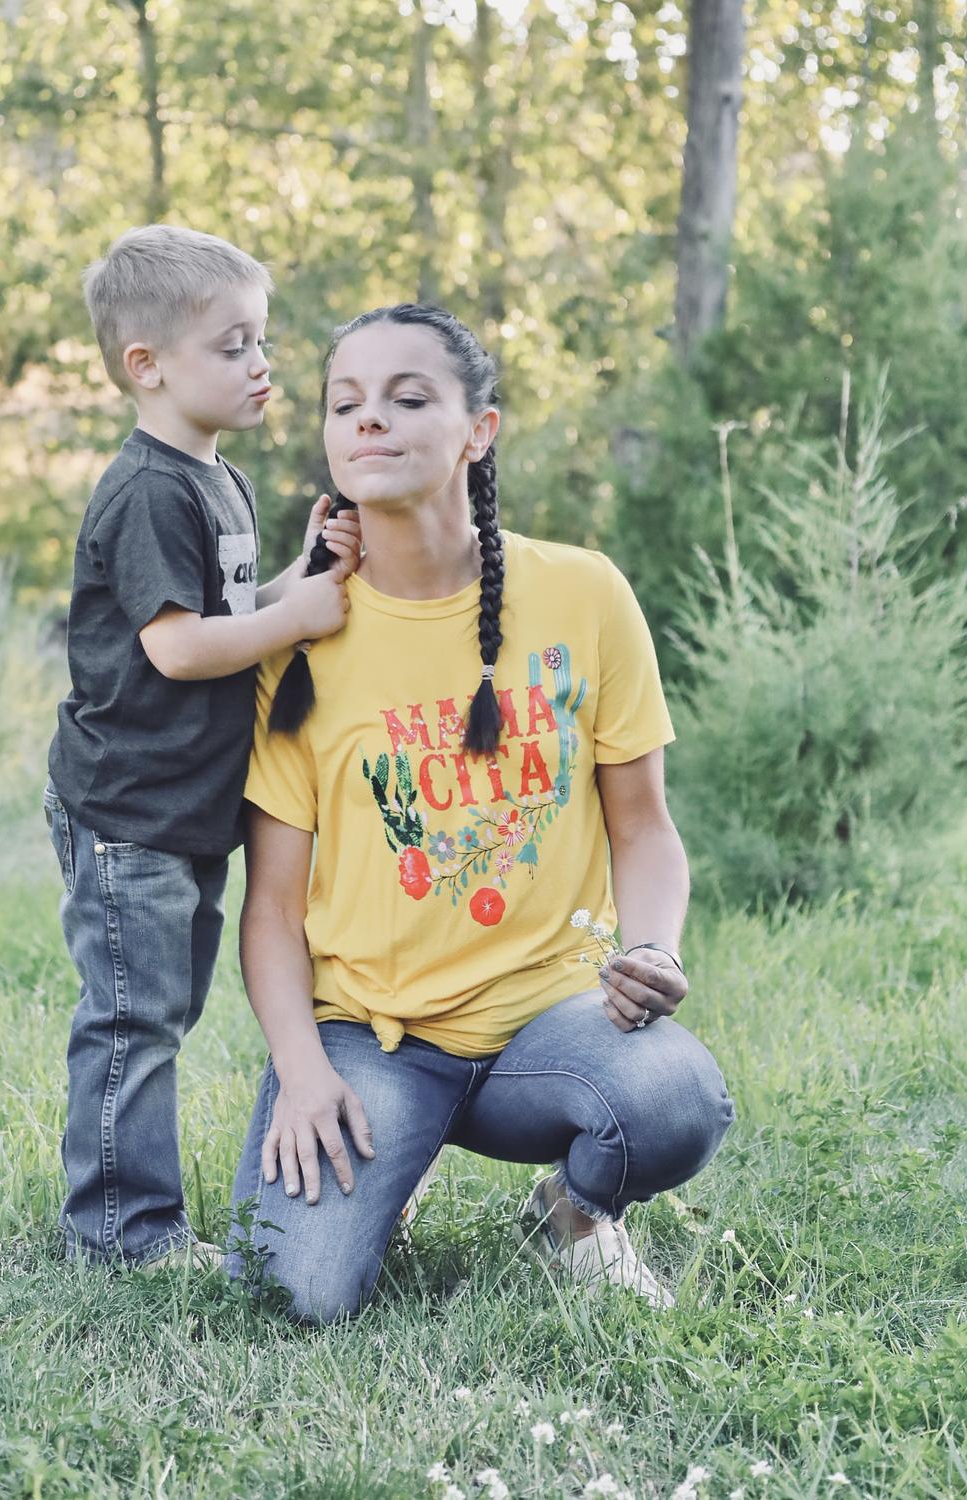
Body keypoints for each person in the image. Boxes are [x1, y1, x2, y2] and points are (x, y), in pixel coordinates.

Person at [227, 303, 734, 1320]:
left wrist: (654, 949)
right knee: (295, 1293)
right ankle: (396, 1151)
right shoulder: (297, 640)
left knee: (674, 1102)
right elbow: (273, 906)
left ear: (479, 431)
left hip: (552, 1022)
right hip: (372, 1034)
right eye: (345, 404)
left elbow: (643, 827)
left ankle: (574, 1214)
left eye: (407, 398)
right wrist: (303, 1071)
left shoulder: (585, 594)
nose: (370, 419)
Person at [45, 224, 361, 1267]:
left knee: (162, 1010)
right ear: (148, 366)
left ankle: (131, 1217)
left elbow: (230, 612)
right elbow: (179, 649)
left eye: (261, 341)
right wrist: (297, 617)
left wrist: (304, 575)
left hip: (180, 808)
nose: (261, 363)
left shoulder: (216, 477)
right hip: (127, 809)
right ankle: (123, 1233)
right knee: (133, 1021)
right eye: (233, 346)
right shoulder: (148, 490)